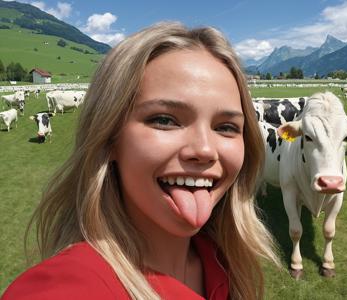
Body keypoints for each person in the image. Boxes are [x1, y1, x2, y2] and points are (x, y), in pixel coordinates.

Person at [1, 22, 280, 300]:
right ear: (109, 137)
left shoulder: (223, 263)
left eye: (226, 127)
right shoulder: (64, 289)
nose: (205, 150)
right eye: (164, 120)